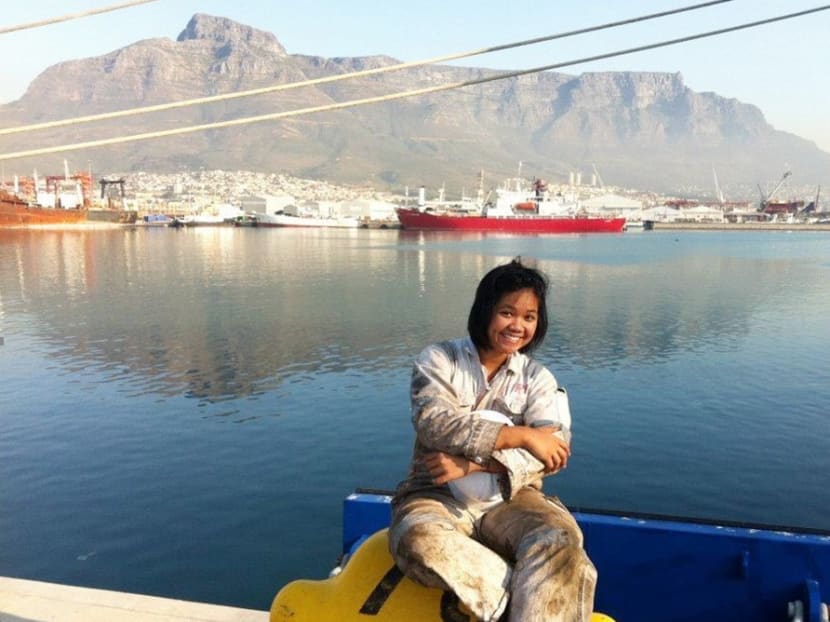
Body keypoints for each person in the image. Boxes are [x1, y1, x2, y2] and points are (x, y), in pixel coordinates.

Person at [389, 258, 596, 622]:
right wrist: (522, 435)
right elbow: (434, 424)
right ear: (485, 310)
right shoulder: (439, 360)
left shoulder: (538, 379)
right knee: (419, 542)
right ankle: (514, 607)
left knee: (560, 541)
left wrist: (472, 464)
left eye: (529, 317)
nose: (517, 326)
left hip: (513, 496)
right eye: (507, 312)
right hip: (433, 493)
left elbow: (555, 451)